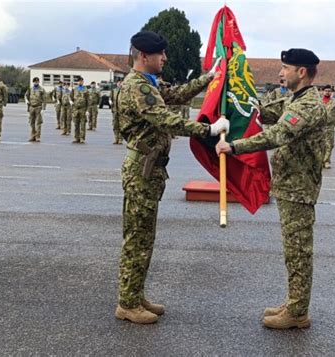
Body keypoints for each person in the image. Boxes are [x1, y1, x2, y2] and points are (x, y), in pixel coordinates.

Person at [115, 30, 229, 324]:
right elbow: (166, 118)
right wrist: (208, 130)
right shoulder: (137, 87)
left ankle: (135, 294)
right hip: (142, 169)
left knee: (144, 237)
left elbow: (176, 95)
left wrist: (210, 77)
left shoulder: (149, 84)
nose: (164, 58)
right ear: (144, 56)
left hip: (150, 169)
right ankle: (127, 303)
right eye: (160, 54)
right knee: (137, 238)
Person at [217, 48, 326, 329]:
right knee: (292, 249)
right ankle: (294, 301)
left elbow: (278, 134)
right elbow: (262, 114)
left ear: (301, 72)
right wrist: (231, 102)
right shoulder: (295, 99)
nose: (280, 73)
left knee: (298, 250)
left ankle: (298, 312)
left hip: (299, 189)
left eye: (285, 68)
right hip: (290, 186)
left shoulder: (308, 105)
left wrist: (235, 147)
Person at [322, 84, 335, 167]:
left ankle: (326, 161)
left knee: (329, 144)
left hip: (330, 126)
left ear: (331, 92)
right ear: (323, 92)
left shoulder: (334, 102)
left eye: (329, 91)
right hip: (320, 126)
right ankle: (320, 160)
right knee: (320, 144)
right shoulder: (318, 101)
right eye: (326, 91)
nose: (327, 92)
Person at [24, 77, 47, 142]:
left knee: (38, 123)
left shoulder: (41, 90)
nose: (36, 82)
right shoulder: (30, 89)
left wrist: (43, 109)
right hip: (31, 107)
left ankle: (37, 137)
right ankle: (32, 136)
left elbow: (45, 99)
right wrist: (26, 101)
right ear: (33, 82)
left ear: (39, 82)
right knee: (31, 122)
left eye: (37, 81)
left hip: (38, 107)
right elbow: (26, 96)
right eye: (35, 81)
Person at [70, 77, 89, 144]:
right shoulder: (74, 89)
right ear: (77, 82)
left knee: (83, 125)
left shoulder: (86, 90)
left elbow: (88, 100)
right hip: (75, 109)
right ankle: (76, 138)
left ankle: (82, 138)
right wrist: (71, 102)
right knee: (76, 125)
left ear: (83, 82)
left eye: (81, 81)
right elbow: (71, 97)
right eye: (79, 81)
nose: (80, 82)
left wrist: (87, 110)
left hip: (83, 109)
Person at [110, 79, 123, 144]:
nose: (119, 84)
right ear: (116, 83)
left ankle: (120, 139)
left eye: (121, 82)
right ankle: (116, 138)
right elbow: (111, 99)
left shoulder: (124, 91)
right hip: (115, 110)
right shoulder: (113, 91)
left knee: (121, 125)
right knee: (115, 125)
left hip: (122, 111)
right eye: (118, 83)